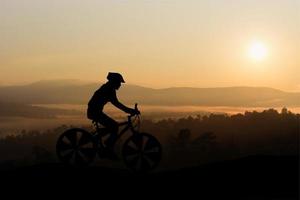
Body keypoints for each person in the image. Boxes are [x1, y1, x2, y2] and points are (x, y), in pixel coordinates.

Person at [87, 72, 139, 159]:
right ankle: (108, 146)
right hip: (95, 112)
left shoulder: (108, 88)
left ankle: (99, 139)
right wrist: (130, 111)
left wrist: (130, 110)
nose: (120, 85)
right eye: (119, 83)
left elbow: (117, 103)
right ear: (114, 82)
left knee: (112, 126)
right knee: (114, 126)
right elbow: (117, 104)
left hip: (95, 112)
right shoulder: (109, 89)